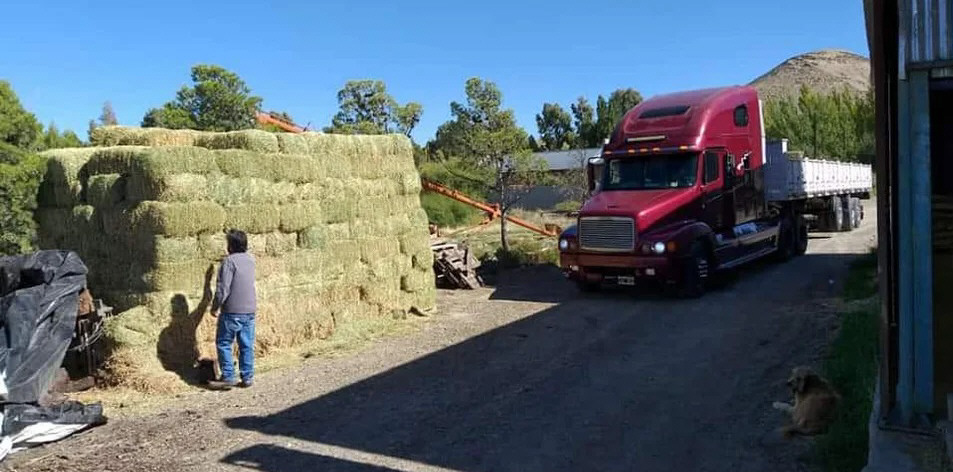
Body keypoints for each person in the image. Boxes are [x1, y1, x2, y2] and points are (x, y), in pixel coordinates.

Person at [208, 229, 257, 390]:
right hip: (250, 309)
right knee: (246, 344)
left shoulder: (229, 262)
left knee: (224, 343)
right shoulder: (250, 260)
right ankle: (247, 376)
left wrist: (215, 307)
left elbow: (223, 289)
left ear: (231, 245)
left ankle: (228, 376)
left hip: (232, 310)